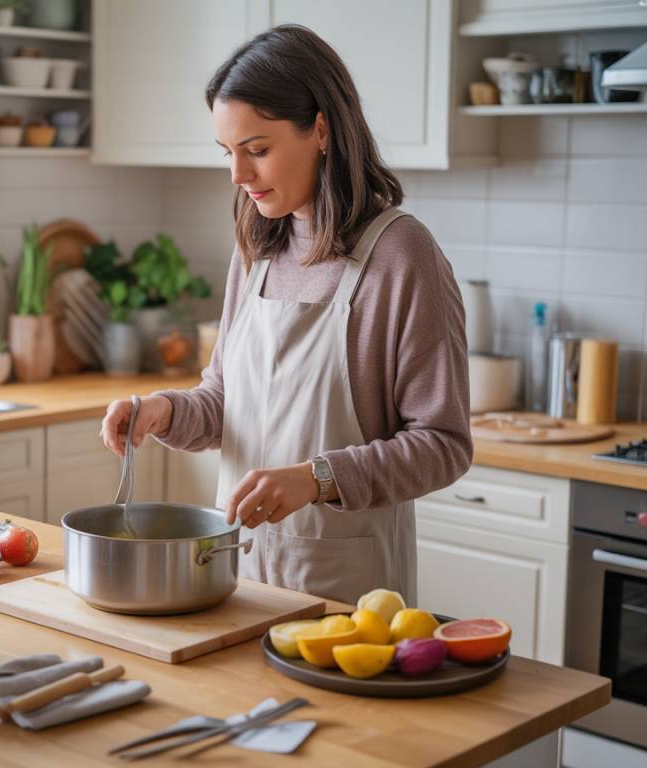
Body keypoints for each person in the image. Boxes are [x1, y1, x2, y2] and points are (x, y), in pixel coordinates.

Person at [100, 25, 472, 606]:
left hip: (348, 599)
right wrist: (164, 412)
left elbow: (444, 443)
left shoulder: (401, 255)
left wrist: (318, 479)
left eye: (258, 150)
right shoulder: (257, 250)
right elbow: (227, 402)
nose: (237, 176)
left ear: (321, 128)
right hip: (233, 582)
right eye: (228, 153)